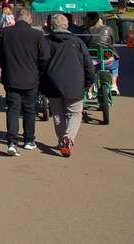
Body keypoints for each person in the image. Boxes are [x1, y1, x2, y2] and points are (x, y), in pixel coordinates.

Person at [0, 8, 48, 155]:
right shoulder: (37, 34)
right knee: (29, 109)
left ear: (16, 19)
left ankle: (12, 141)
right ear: (29, 20)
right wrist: (39, 71)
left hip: (11, 77)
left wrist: (5, 66)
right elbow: (44, 57)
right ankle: (29, 139)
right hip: (31, 77)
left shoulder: (5, 32)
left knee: (13, 109)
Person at [40, 13, 95, 158]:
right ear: (67, 26)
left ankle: (61, 140)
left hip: (52, 83)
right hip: (75, 84)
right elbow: (88, 65)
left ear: (52, 26)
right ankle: (69, 137)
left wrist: (41, 83)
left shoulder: (46, 42)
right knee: (75, 113)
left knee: (58, 114)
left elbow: (41, 64)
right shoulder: (77, 42)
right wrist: (89, 82)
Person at [82, 12, 119, 95]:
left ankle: (89, 91)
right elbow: (113, 41)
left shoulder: (84, 31)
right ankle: (114, 85)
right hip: (107, 62)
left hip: (91, 63)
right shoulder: (107, 29)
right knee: (115, 65)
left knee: (90, 72)